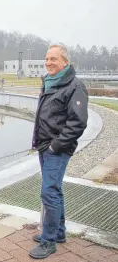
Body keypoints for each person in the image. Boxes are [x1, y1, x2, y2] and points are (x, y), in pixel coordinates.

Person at [30, 44, 89, 259]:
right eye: (47, 59)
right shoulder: (50, 82)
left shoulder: (74, 86)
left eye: (54, 59)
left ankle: (49, 241)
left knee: (49, 192)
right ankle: (58, 233)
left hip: (57, 148)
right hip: (45, 146)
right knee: (55, 190)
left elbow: (78, 122)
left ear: (65, 62)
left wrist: (56, 145)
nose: (48, 63)